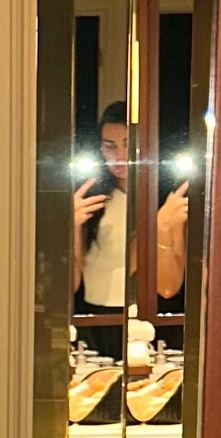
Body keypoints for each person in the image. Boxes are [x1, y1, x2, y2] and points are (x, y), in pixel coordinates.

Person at [72, 100, 189, 324]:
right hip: (93, 319)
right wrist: (72, 225)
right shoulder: (88, 199)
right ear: (100, 149)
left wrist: (161, 227)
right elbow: (70, 285)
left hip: (151, 319)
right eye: (110, 146)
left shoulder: (166, 201)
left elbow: (168, 288)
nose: (120, 156)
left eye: (128, 144)